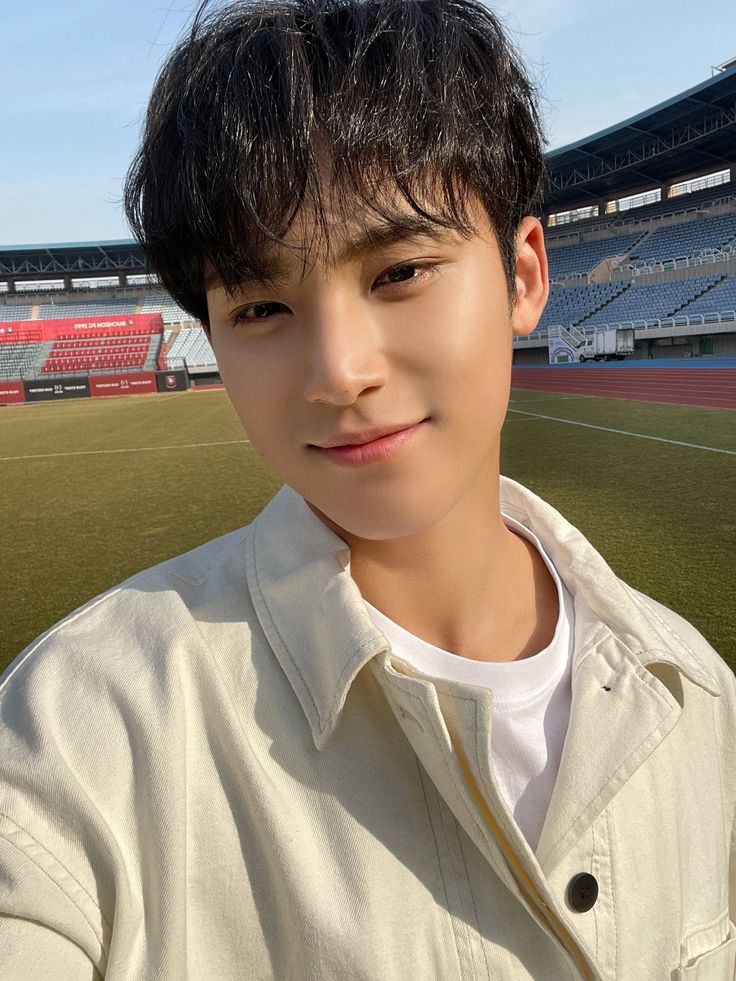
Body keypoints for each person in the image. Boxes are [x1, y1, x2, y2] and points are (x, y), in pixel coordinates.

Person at [1, 1, 734, 978]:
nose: (338, 371)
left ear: (522, 276)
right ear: (211, 336)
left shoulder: (698, 702)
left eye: (398, 272)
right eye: (261, 306)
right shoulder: (75, 739)